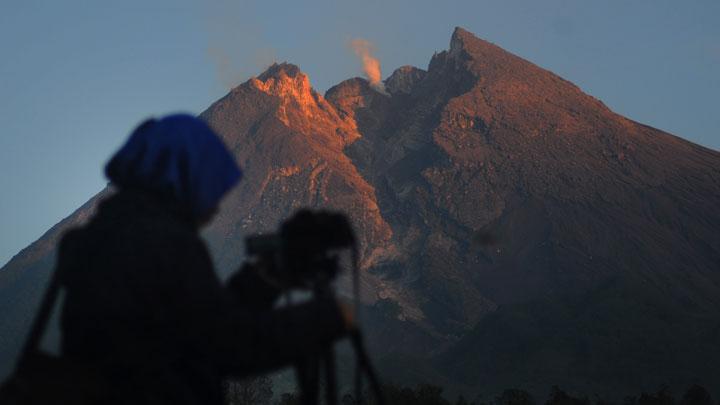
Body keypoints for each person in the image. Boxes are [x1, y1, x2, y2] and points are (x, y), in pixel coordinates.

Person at [57, 114, 351, 404]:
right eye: (210, 185)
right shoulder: (167, 244)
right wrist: (325, 317)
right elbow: (229, 346)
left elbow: (190, 328)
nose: (216, 206)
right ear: (186, 176)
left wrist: (261, 281)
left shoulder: (100, 237)